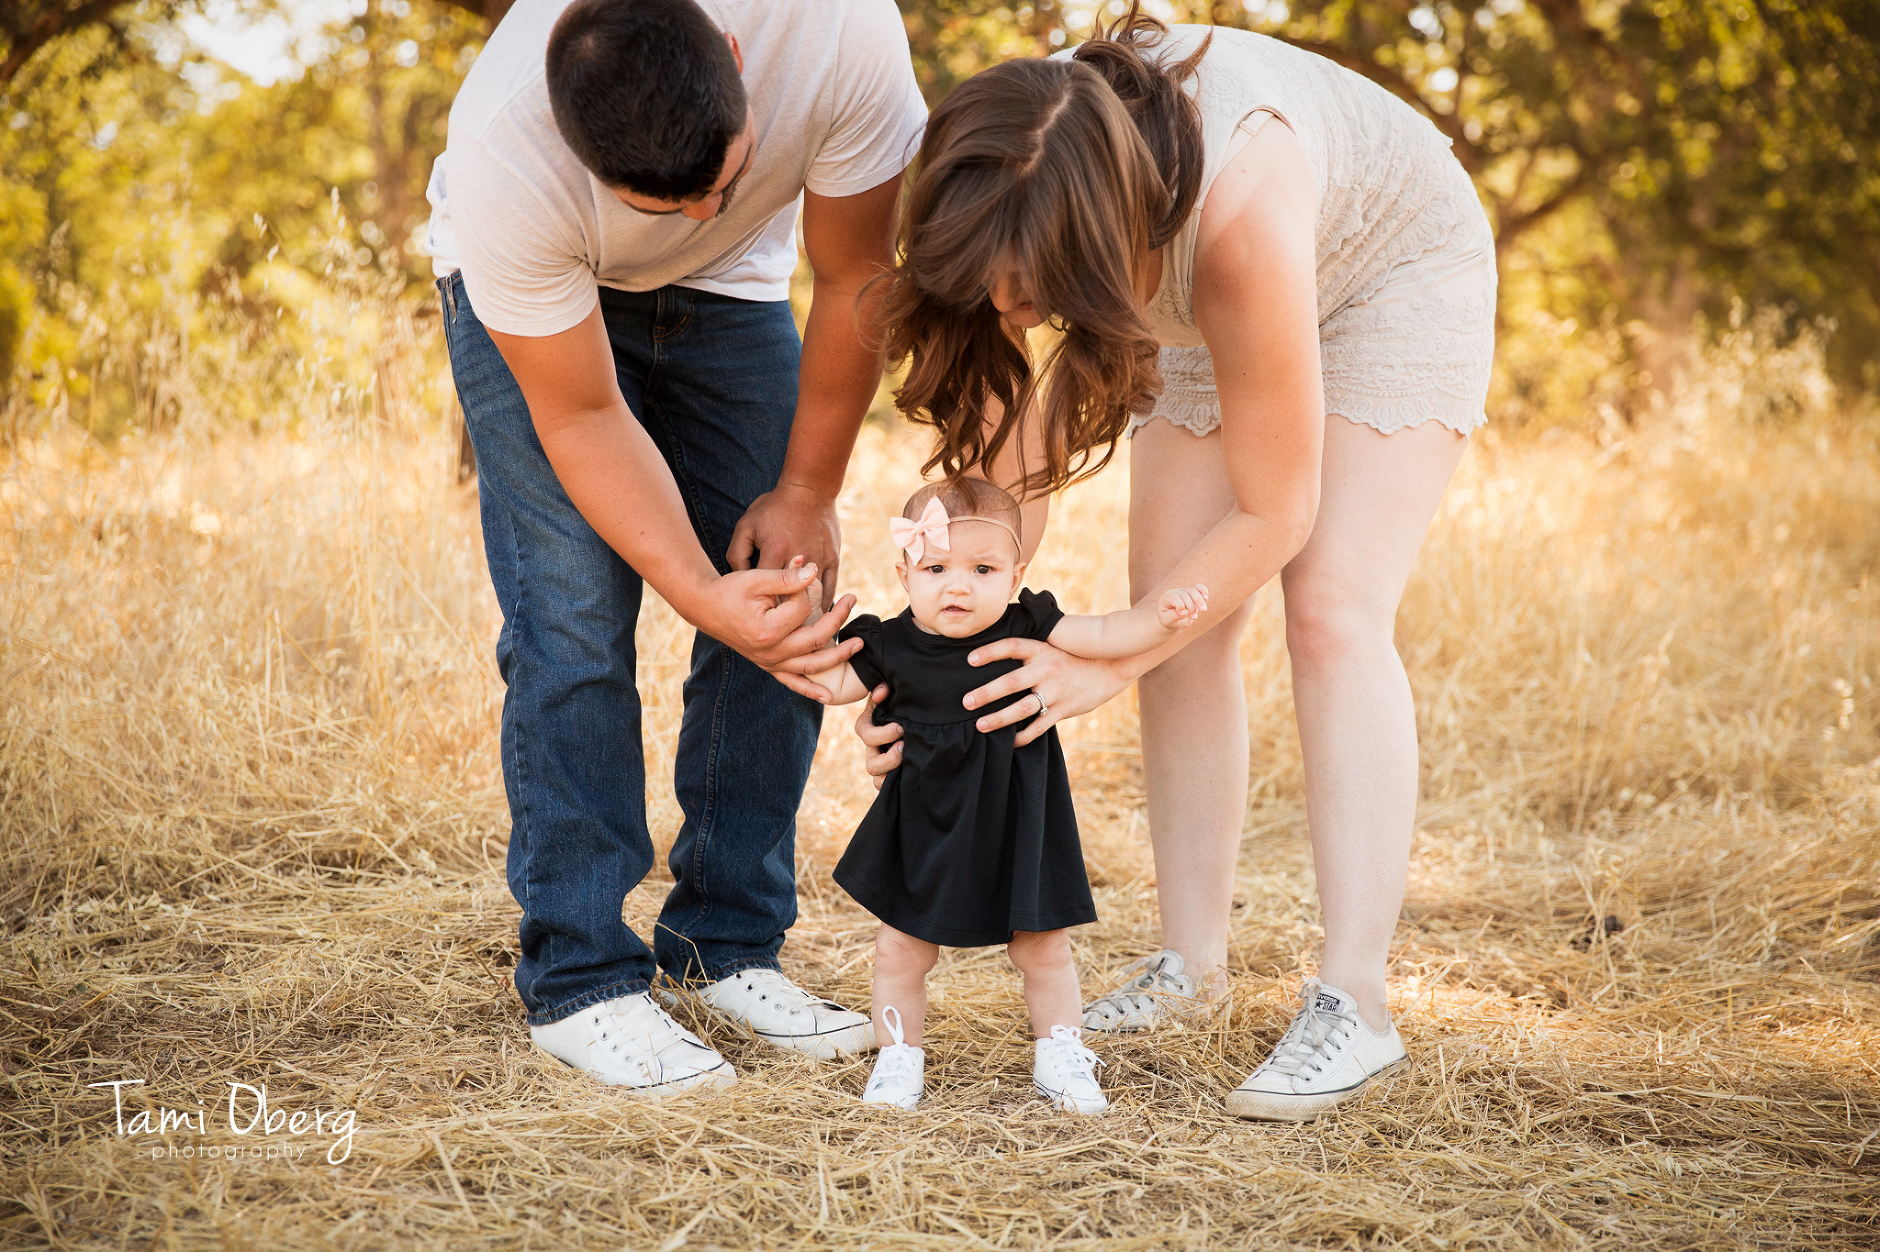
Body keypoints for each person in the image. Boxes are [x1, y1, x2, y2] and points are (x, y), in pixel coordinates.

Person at [853, 6, 1496, 1120]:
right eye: (996, 290)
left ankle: (1354, 1000)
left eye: (1025, 290)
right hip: (1180, 276)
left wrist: (1119, 650)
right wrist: (931, 657)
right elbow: (1015, 482)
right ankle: (1189, 966)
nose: (1011, 311)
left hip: (1389, 262)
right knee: (1179, 617)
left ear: (1093, 243)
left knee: (1328, 610)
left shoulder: (1236, 217)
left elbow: (1276, 511)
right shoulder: (1017, 158)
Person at [424, 0, 926, 1096]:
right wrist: (696, 589)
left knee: (785, 590)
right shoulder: (508, 155)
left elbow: (850, 277)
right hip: (546, 305)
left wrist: (806, 489)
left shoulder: (840, 35)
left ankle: (722, 947)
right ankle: (581, 980)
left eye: (723, 179)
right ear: (569, 136)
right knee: (570, 621)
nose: (705, 209)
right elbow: (583, 418)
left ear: (737, 61)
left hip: (731, 300)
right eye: (668, 201)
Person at [797, 479, 1207, 1112]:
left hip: (1021, 815)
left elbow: (1102, 635)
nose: (957, 586)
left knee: (1043, 946)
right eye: (935, 567)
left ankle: (1060, 1054)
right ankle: (897, 1058)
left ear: (1017, 576)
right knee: (901, 948)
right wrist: (794, 622)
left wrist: (1158, 617)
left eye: (982, 569)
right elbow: (828, 682)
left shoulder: (1030, 624)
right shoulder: (889, 643)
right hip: (925, 820)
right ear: (904, 572)